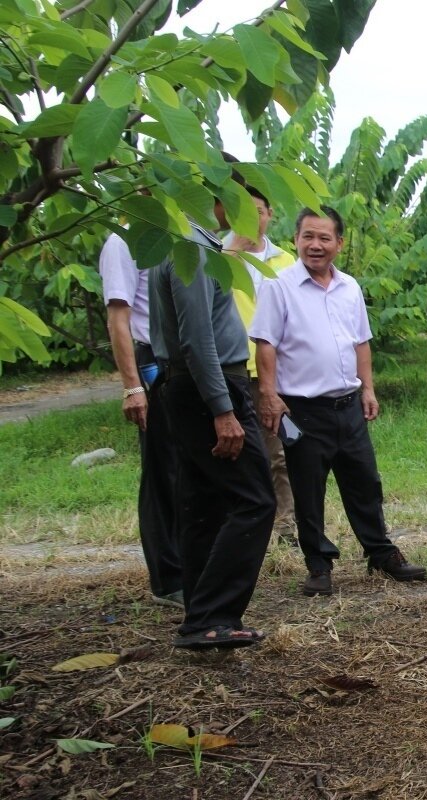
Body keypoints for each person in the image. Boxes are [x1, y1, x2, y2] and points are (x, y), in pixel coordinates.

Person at [250, 206, 427, 597]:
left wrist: (368, 388)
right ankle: (318, 564)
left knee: (365, 482)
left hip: (347, 405)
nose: (316, 245)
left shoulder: (349, 287)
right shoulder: (278, 286)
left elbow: (360, 342)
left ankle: (380, 553)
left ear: (339, 244)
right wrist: (268, 394)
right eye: (308, 236)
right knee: (308, 490)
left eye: (324, 238)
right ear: (295, 239)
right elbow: (266, 345)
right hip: (301, 409)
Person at [148, 184, 275, 650]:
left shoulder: (182, 244)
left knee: (204, 504)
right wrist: (223, 410)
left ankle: (199, 616)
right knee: (256, 499)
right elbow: (196, 339)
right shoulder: (193, 250)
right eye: (238, 200)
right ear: (216, 199)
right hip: (209, 386)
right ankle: (217, 613)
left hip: (191, 386)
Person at [99, 232, 182, 607]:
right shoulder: (125, 242)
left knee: (189, 471)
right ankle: (167, 579)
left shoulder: (182, 236)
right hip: (152, 364)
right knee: (163, 471)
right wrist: (132, 386)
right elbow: (119, 315)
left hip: (183, 361)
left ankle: (192, 566)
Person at [224, 187, 298, 544]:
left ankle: (285, 526)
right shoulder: (216, 254)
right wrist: (231, 252)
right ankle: (238, 524)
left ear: (271, 215)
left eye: (260, 211)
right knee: (232, 451)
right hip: (230, 369)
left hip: (275, 371)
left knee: (279, 451)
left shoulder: (286, 261)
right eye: (245, 211)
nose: (253, 219)